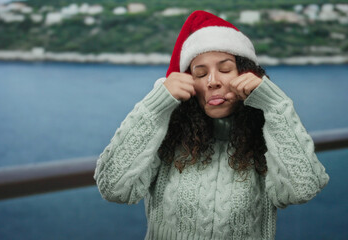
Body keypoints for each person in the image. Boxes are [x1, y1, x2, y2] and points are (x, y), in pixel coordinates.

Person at [94, 10, 329, 240]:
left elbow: (302, 189)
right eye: (200, 73)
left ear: (246, 74)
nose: (213, 81)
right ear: (189, 83)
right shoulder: (167, 134)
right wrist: (155, 105)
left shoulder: (268, 138)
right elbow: (114, 188)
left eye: (225, 69)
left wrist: (275, 105)